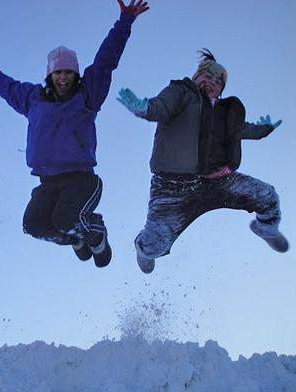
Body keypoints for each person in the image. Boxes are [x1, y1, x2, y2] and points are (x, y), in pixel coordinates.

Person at [0, 0, 149, 268]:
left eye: (68, 72)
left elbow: (105, 61)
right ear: (50, 74)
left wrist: (125, 22)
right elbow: (4, 86)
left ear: (75, 74)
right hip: (48, 182)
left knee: (67, 218)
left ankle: (96, 232)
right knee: (34, 225)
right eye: (58, 72)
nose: (63, 77)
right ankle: (75, 240)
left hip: (81, 180)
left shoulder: (87, 94)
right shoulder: (32, 98)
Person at [116, 49, 289, 274]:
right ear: (197, 76)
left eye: (218, 81)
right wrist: (144, 108)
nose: (212, 82)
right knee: (153, 245)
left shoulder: (225, 112)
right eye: (207, 75)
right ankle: (144, 249)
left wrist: (264, 129)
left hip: (218, 182)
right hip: (173, 188)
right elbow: (160, 107)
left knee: (267, 196)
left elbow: (242, 130)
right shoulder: (181, 94)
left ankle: (266, 229)